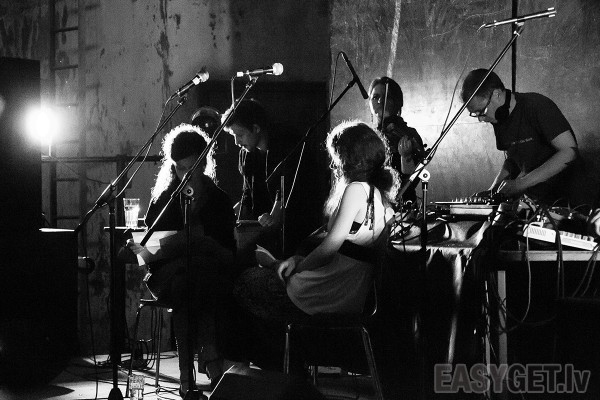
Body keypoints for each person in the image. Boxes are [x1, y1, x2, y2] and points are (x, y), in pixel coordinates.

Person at [231, 120, 398, 371]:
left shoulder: (356, 190)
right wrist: (295, 262)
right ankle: (287, 364)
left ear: (347, 159)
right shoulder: (379, 194)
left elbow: (329, 249)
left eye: (336, 159)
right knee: (258, 286)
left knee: (244, 283)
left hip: (328, 291)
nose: (333, 166)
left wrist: (294, 268)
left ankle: (280, 368)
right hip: (346, 290)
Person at [124, 123, 236, 396]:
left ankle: (187, 379)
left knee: (192, 281)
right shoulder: (165, 199)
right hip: (168, 276)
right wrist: (148, 246)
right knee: (189, 279)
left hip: (201, 278)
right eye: (180, 168)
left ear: (204, 163)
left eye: (192, 167)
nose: (186, 175)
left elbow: (229, 255)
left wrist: (207, 243)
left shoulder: (219, 201)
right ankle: (211, 360)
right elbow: (150, 254)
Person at [461, 69, 579, 205]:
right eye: (475, 114)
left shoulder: (536, 105)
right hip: (535, 201)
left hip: (565, 200)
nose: (481, 119)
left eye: (481, 111)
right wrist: (492, 190)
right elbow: (513, 160)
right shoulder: (499, 118)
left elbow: (569, 151)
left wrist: (521, 183)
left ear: (496, 94)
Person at [222, 99, 299, 258]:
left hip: (289, 235)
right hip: (259, 230)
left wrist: (272, 217)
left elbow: (285, 192)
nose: (236, 142)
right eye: (234, 136)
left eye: (240, 135)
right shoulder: (246, 154)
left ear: (256, 128)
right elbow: (247, 196)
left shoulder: (284, 148)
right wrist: (227, 216)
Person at [368, 76, 425, 206]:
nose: (380, 101)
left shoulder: (409, 134)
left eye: (387, 97)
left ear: (397, 101)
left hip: (403, 204)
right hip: (374, 203)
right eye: (375, 97)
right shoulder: (368, 136)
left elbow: (413, 180)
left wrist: (406, 157)